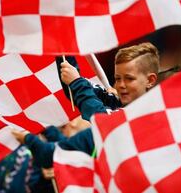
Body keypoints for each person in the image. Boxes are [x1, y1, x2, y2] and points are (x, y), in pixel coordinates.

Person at [13, 42, 160, 167]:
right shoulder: (117, 101)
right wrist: (64, 48)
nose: (121, 85)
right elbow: (79, 91)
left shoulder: (151, 114)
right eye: (117, 78)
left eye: (129, 78)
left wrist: (76, 82)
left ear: (150, 80)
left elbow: (100, 117)